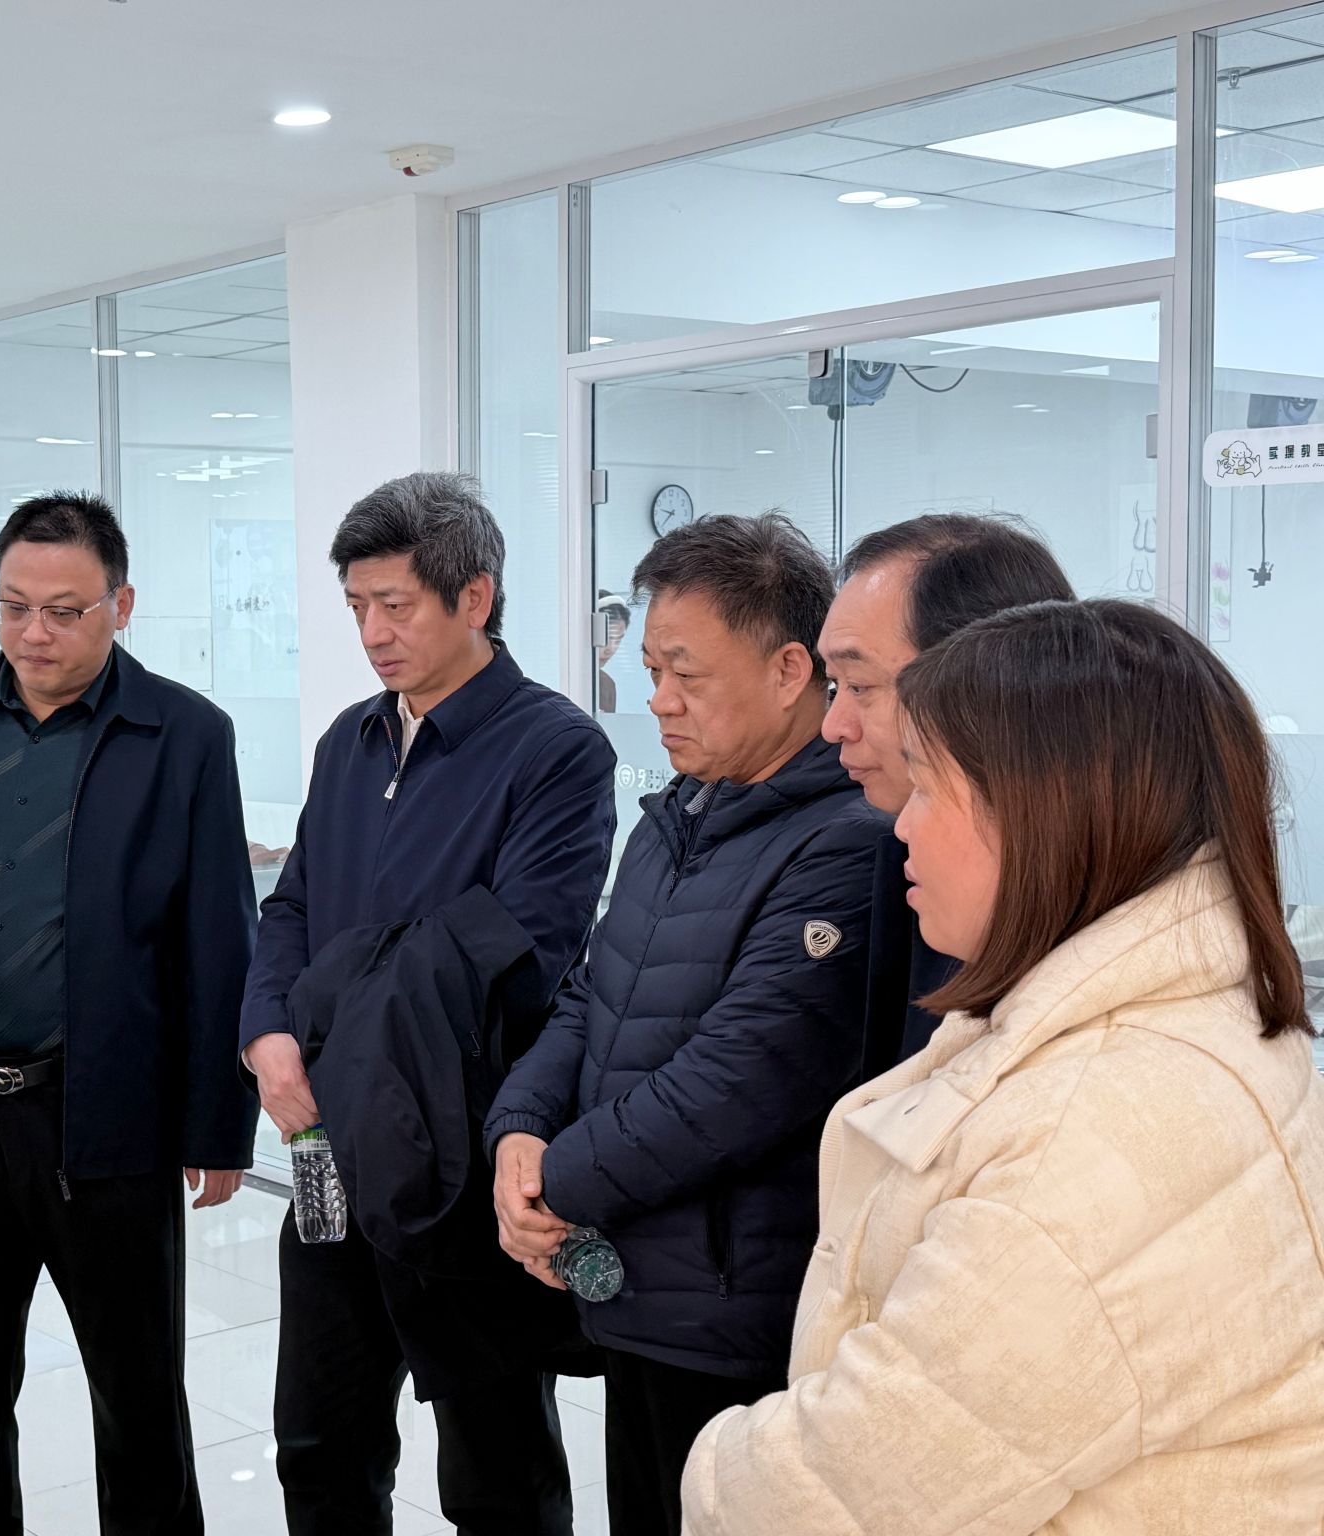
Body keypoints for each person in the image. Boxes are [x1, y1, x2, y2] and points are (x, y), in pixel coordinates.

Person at [683, 599, 1324, 1534]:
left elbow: (834, 1493)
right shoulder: (1155, 1018)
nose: (901, 828)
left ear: (1046, 810)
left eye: (929, 787)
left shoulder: (1091, 1134)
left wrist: (714, 1472)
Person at [485, 513, 893, 1536]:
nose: (658, 700)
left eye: (685, 674)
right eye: (648, 671)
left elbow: (736, 1081)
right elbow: (588, 995)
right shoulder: (676, 817)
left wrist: (553, 1183)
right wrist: (519, 1128)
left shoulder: (845, 842)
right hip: (637, 1285)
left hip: (735, 1304)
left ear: (790, 669)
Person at [0, 492, 258, 1536]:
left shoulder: (183, 735)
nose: (34, 632)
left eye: (64, 610)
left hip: (103, 1119)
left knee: (138, 1401)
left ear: (120, 605)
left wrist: (219, 1124)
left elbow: (218, 936)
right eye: (13, 605)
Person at [241, 471, 615, 1536]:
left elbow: (518, 952)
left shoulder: (555, 751)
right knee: (319, 1446)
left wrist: (332, 997)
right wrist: (268, 1030)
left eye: (395, 605)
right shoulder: (349, 742)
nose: (372, 633)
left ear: (474, 597)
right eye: (356, 606)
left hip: (459, 1155)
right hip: (327, 1151)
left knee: (496, 1470)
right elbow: (294, 905)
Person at [818, 515, 1074, 1063]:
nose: (833, 726)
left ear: (986, 677)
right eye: (835, 687)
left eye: (860, 686)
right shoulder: (901, 849)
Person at [596, 595, 632, 713]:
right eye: (606, 638)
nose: (611, 649)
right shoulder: (562, 680)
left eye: (618, 640)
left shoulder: (607, 685)